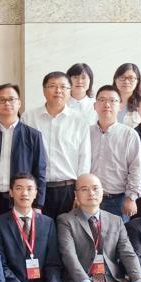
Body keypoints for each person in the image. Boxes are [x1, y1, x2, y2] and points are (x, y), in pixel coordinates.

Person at [24, 72, 92, 219]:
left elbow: (84, 158)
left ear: (69, 91)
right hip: (36, 189)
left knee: (67, 231)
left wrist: (80, 192)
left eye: (63, 87)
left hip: (68, 190)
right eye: (52, 86)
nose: (58, 91)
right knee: (39, 231)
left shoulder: (79, 120)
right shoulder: (29, 117)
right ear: (44, 90)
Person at [0, 83, 47, 219]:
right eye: (2, 100)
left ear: (19, 103)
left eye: (11, 99)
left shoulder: (33, 136)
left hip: (22, 201)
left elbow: (40, 171)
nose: (7, 103)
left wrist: (38, 204)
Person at [90, 85, 141, 220]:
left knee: (117, 234)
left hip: (117, 201)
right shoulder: (85, 133)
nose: (107, 104)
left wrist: (131, 197)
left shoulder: (129, 134)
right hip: (89, 198)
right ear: (95, 106)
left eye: (112, 100)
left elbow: (136, 168)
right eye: (102, 100)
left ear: (120, 105)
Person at [113, 63, 141, 127]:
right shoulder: (106, 102)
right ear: (115, 80)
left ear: (137, 81)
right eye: (122, 77)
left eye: (131, 78)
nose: (126, 81)